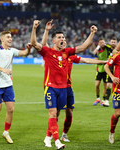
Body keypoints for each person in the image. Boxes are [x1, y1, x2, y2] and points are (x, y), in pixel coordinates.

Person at [31, 20, 97, 149]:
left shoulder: (67, 53)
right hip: (50, 87)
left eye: (63, 37)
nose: (62, 39)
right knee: (53, 113)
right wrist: (34, 28)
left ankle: (48, 137)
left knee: (58, 114)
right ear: (54, 41)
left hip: (63, 88)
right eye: (59, 37)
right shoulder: (47, 52)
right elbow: (34, 43)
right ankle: (57, 142)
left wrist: (92, 33)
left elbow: (83, 47)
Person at [0, 31, 32, 144]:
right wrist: (3, 69)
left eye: (11, 37)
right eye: (8, 37)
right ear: (2, 39)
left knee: (10, 109)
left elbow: (24, 53)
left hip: (8, 85)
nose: (10, 39)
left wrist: (29, 49)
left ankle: (6, 132)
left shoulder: (12, 51)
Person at [93, 38, 113, 106]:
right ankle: (98, 98)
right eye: (101, 43)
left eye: (103, 42)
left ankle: (103, 100)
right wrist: (103, 62)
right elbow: (95, 58)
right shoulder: (97, 50)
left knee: (105, 86)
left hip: (106, 70)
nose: (102, 44)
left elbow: (112, 49)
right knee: (97, 85)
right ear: (98, 44)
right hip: (99, 70)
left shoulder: (107, 48)